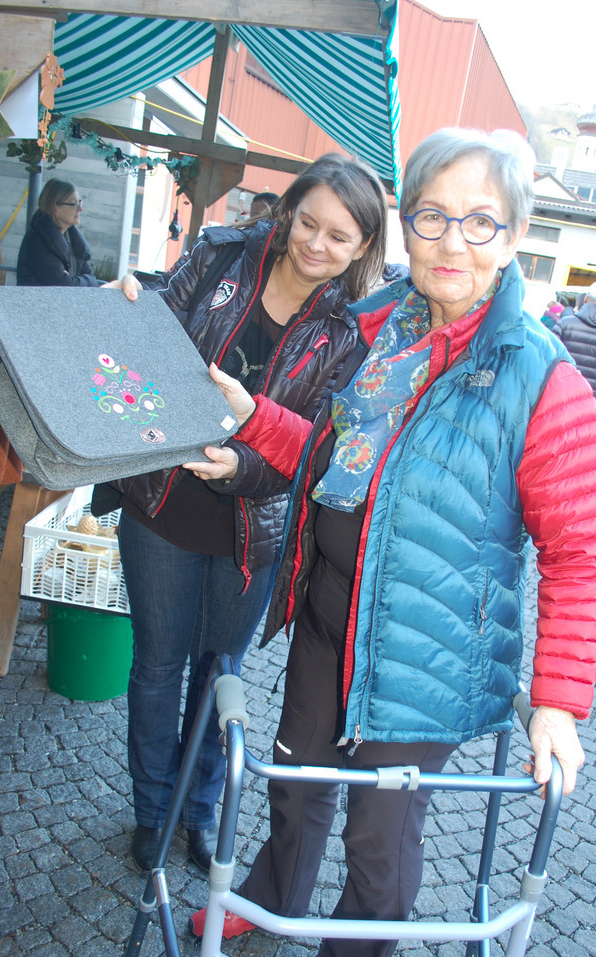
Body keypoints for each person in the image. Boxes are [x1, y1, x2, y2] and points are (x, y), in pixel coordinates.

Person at [184, 127, 596, 957]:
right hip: (328, 618)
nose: (452, 241)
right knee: (296, 779)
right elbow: (331, 459)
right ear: (405, 224)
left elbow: (576, 550)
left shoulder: (541, 378)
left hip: (430, 651)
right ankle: (270, 897)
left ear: (513, 236)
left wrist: (557, 701)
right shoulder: (376, 331)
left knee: (380, 829)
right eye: (431, 216)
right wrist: (254, 416)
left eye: (479, 221)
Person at [100, 154, 388, 873]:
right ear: (288, 211)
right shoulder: (220, 255)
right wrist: (125, 301)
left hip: (253, 531)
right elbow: (153, 331)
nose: (316, 245)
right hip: (161, 504)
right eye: (309, 223)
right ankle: (151, 811)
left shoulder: (349, 332)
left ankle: (197, 812)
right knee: (157, 667)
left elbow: (316, 447)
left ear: (362, 247)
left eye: (340, 237)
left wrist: (243, 468)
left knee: (217, 676)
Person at [552, 281, 596, 410]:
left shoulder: (565, 324)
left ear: (585, 298)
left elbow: (549, 357)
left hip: (559, 393)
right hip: (589, 398)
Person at [16, 179, 98, 287]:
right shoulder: (35, 240)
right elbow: (62, 284)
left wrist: (75, 280)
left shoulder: (73, 240)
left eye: (79, 203)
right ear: (55, 208)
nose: (80, 209)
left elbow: (92, 280)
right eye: (74, 204)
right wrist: (82, 281)